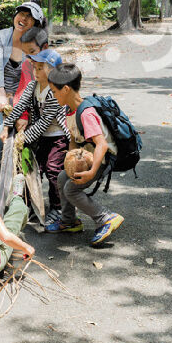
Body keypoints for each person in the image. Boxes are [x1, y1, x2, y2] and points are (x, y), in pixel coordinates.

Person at [44, 63, 125, 246]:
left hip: (100, 159)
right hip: (86, 157)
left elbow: (102, 145)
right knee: (62, 177)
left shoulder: (86, 114)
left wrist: (91, 172)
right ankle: (68, 221)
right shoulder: (68, 110)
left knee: (71, 189)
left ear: (65, 89)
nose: (53, 96)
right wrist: (70, 159)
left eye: (54, 92)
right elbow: (73, 138)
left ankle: (105, 217)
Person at [0, 1, 45, 197]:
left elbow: (31, 75)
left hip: (21, 96)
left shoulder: (35, 44)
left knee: (22, 141)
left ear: (36, 23)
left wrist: (20, 108)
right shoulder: (0, 36)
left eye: (29, 16)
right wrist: (1, 95)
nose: (23, 19)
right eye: (21, 14)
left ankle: (19, 189)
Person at [0, 49, 67, 223]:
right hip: (42, 137)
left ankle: (57, 208)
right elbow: (20, 107)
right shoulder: (32, 86)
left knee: (53, 169)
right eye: (35, 67)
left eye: (39, 68)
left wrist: (22, 139)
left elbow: (45, 121)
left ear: (52, 71)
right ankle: (30, 205)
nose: (35, 71)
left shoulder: (54, 91)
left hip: (58, 136)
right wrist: (6, 126)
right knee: (33, 168)